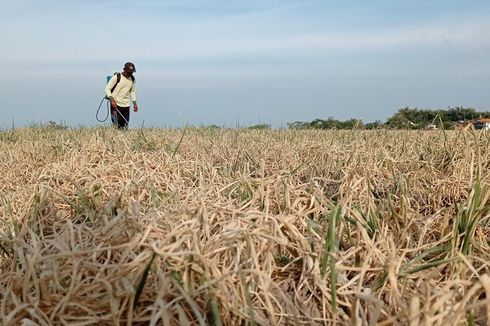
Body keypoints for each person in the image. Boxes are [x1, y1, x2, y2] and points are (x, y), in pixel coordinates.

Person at [105, 62, 139, 129]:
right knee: (116, 124)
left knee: (125, 125)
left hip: (126, 105)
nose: (130, 73)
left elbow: (132, 92)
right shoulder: (117, 77)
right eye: (129, 72)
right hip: (116, 104)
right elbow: (107, 89)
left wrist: (135, 103)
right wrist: (112, 100)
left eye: (132, 72)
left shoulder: (132, 79)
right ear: (124, 70)